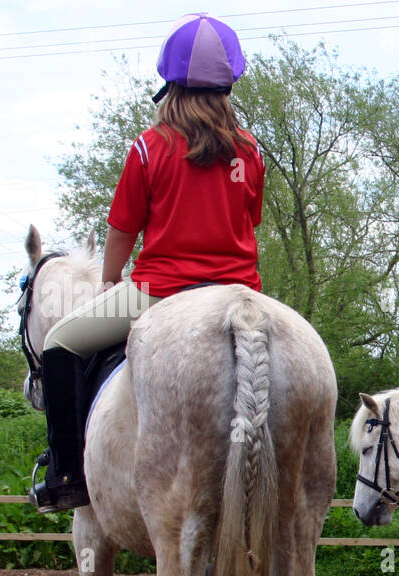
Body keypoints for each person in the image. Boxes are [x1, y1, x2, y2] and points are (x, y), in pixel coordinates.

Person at [29, 13, 265, 512]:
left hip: (162, 290)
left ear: (169, 87)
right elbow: (251, 219)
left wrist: (111, 279)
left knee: (58, 345)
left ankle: (67, 476)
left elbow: (121, 229)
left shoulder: (148, 147)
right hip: (240, 293)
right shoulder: (251, 151)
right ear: (228, 88)